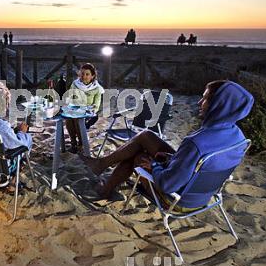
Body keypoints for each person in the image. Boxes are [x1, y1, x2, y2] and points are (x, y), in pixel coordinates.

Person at [80, 80, 254, 202]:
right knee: (146, 136)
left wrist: (154, 166)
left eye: (206, 98)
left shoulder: (196, 143)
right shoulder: (238, 137)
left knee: (139, 157)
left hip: (178, 198)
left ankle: (105, 187)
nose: (199, 102)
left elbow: (168, 185)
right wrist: (172, 160)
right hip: (203, 191)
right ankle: (102, 166)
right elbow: (203, 164)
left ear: (219, 104)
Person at [65, 63, 104, 153]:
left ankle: (81, 143)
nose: (84, 76)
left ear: (92, 76)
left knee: (77, 119)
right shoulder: (75, 84)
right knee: (69, 119)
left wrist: (89, 109)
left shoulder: (97, 88)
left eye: (87, 74)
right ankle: (73, 143)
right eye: (82, 73)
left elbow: (96, 105)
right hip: (75, 109)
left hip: (89, 112)